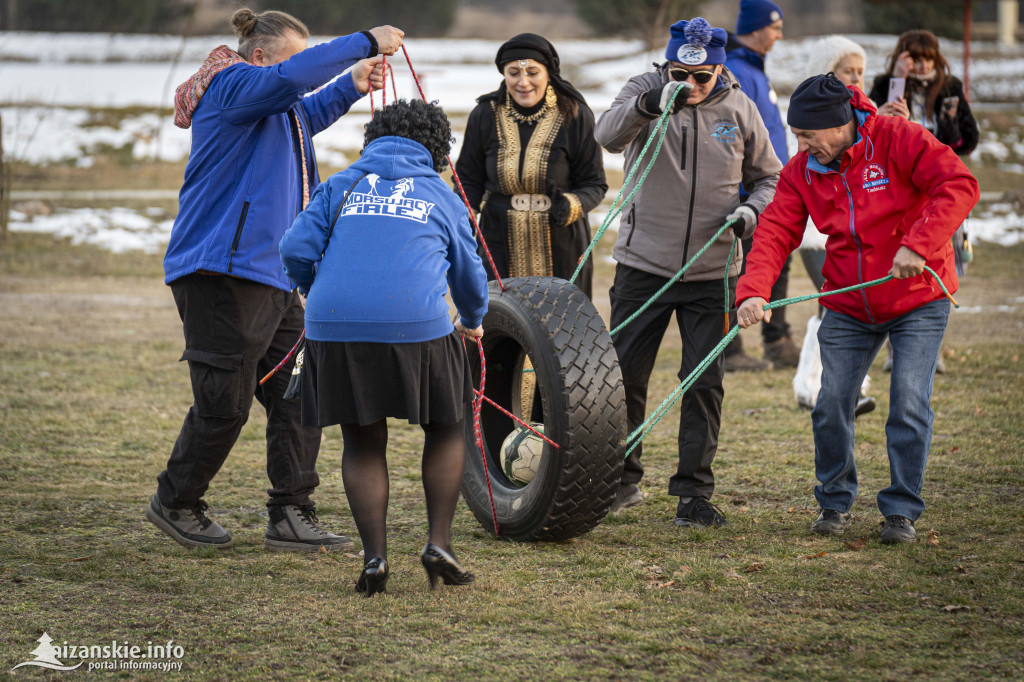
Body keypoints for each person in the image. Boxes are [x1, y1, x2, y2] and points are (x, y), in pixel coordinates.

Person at [147, 7, 404, 552]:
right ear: (260, 57)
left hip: (274, 275)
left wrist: (351, 85)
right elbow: (291, 81)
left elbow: (301, 112)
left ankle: (290, 511)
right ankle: (176, 501)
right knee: (225, 404)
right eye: (295, 59)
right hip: (222, 271)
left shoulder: (271, 105)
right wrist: (362, 43)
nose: (302, 70)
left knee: (299, 393)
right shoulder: (232, 85)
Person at [736, 74, 979, 544]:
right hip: (849, 300)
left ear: (839, 122)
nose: (803, 146)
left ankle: (901, 511)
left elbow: (958, 184)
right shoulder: (802, 170)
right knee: (830, 403)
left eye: (809, 135)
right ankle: (834, 501)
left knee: (908, 402)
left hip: (917, 296)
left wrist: (919, 245)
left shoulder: (898, 140)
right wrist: (754, 290)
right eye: (798, 137)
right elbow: (775, 232)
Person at [280, 99, 489, 596]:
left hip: (335, 326)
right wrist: (474, 321)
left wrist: (312, 287)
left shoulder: (340, 184)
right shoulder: (442, 194)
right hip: (416, 323)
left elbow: (294, 248)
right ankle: (439, 543)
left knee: (363, 439)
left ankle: (375, 559)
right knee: (446, 425)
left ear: (373, 137)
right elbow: (468, 272)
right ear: (438, 149)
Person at [595, 17, 781, 523]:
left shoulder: (741, 108)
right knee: (625, 377)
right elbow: (605, 135)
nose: (692, 86)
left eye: (702, 78)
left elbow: (770, 179)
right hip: (643, 267)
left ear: (720, 69)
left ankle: (693, 494)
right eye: (682, 74)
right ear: (668, 66)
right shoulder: (646, 90)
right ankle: (620, 479)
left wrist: (750, 211)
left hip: (714, 270)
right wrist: (650, 104)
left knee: (703, 382)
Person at [455, 33, 608, 298]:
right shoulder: (484, 114)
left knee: (562, 326)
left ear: (549, 73)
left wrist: (572, 204)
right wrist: (464, 220)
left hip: (562, 241)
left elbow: (594, 184)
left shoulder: (576, 114)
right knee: (498, 322)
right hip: (497, 240)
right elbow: (468, 177)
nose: (523, 82)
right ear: (504, 74)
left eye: (533, 72)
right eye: (513, 73)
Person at [869, 29, 979, 374]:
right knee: (895, 262)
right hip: (897, 192)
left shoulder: (948, 87)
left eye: (927, 57)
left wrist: (943, 125)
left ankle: (934, 347)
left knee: (941, 264)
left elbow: (968, 139)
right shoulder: (886, 84)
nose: (921, 64)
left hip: (938, 190)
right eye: (913, 57)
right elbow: (870, 132)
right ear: (901, 56)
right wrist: (897, 82)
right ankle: (892, 348)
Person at [792, 35, 877, 418]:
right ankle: (814, 386)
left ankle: (834, 386)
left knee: (838, 309)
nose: (857, 78)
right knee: (834, 308)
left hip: (852, 234)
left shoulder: (869, 115)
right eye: (848, 71)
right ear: (829, 72)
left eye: (861, 71)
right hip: (818, 236)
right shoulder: (811, 119)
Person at [722, 0, 800, 372]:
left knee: (776, 260)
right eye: (775, 27)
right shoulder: (738, 71)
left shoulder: (754, 68)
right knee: (734, 267)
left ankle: (776, 339)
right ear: (755, 28)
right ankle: (729, 348)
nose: (780, 35)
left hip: (770, 188)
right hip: (748, 193)